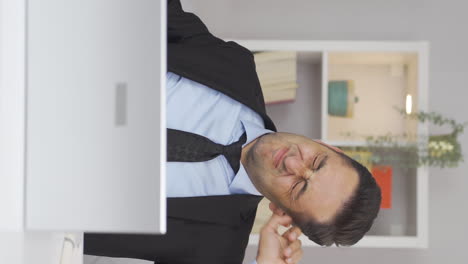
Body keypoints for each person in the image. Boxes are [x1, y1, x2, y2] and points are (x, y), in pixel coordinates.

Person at [84, 0, 381, 263]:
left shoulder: (217, 250)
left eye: (299, 187)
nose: (292, 163)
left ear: (285, 214)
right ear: (326, 145)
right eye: (316, 161)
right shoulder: (236, 67)